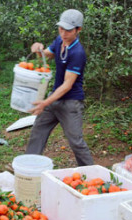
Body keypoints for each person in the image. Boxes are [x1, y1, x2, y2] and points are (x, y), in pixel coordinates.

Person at [25, 9, 94, 166]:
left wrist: (44, 102)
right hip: (54, 99)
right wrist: (38, 49)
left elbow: (67, 85)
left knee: (76, 141)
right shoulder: (59, 41)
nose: (63, 33)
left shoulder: (77, 53)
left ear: (78, 30)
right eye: (61, 29)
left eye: (68, 30)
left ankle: (91, 172)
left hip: (70, 103)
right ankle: (27, 166)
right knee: (38, 131)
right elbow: (46, 55)